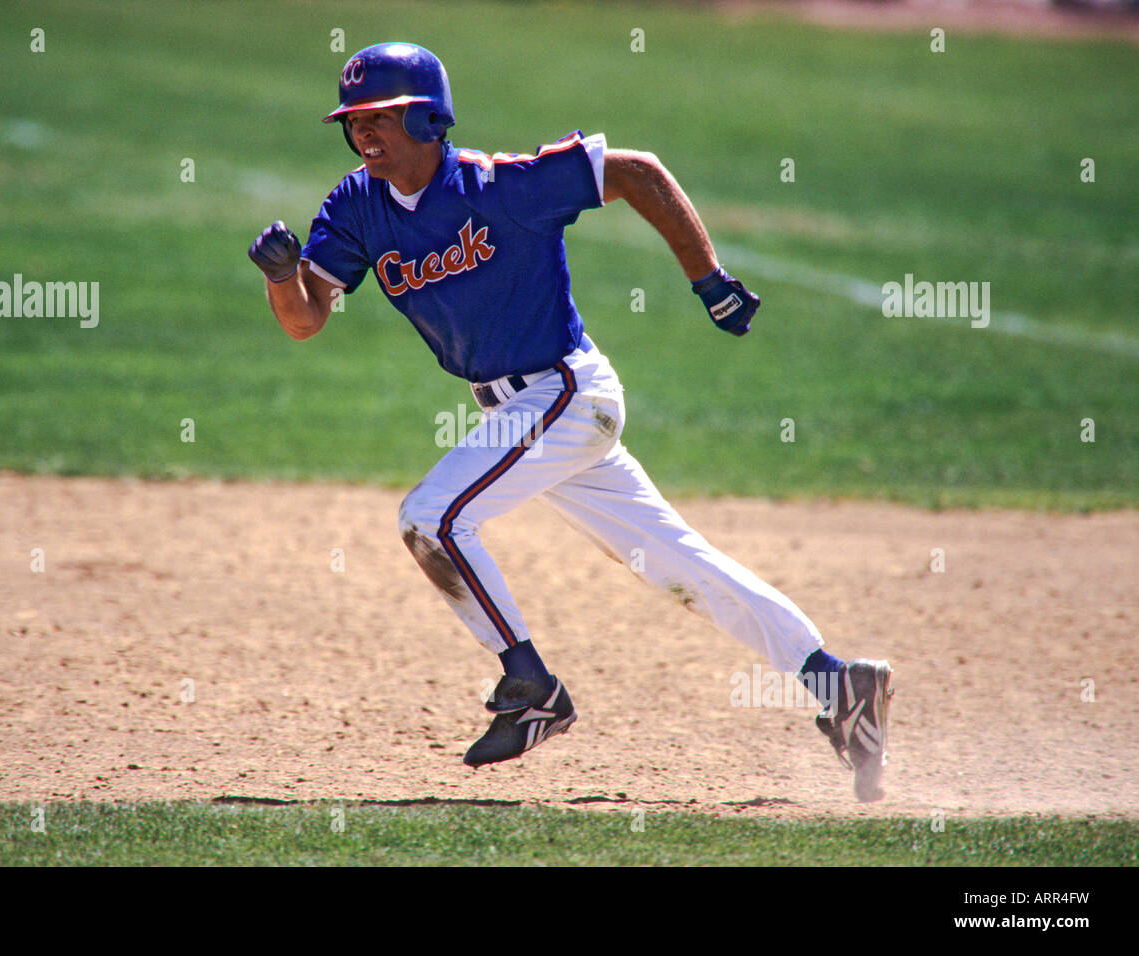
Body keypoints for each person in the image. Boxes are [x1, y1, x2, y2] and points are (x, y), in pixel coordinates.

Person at [249, 43, 894, 800]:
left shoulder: (502, 188)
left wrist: (707, 279)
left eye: (380, 119)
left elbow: (637, 172)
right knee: (676, 561)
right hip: (532, 416)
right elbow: (304, 321)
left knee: (432, 520)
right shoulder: (355, 206)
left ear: (427, 115)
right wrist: (283, 276)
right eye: (354, 122)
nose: (364, 135)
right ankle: (836, 684)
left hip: (563, 395)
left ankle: (531, 688)